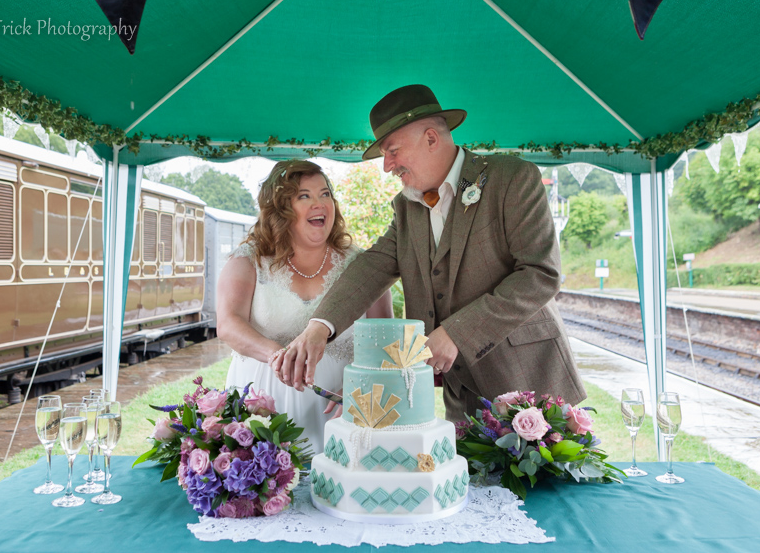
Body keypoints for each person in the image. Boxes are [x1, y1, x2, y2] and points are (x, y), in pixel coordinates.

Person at [275, 85, 586, 422]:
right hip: (462, 394)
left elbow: (541, 274)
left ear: (431, 139)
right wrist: (319, 327)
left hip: (530, 380)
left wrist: (456, 333)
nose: (387, 166)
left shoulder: (512, 179)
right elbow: (373, 266)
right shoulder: (405, 206)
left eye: (392, 151)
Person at [216, 160, 392, 453]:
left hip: (341, 409)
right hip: (262, 407)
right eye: (304, 196)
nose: (319, 203)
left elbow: (387, 340)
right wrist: (276, 356)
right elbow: (228, 323)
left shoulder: (362, 267)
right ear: (281, 208)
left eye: (325, 194)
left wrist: (366, 384)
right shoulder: (250, 260)